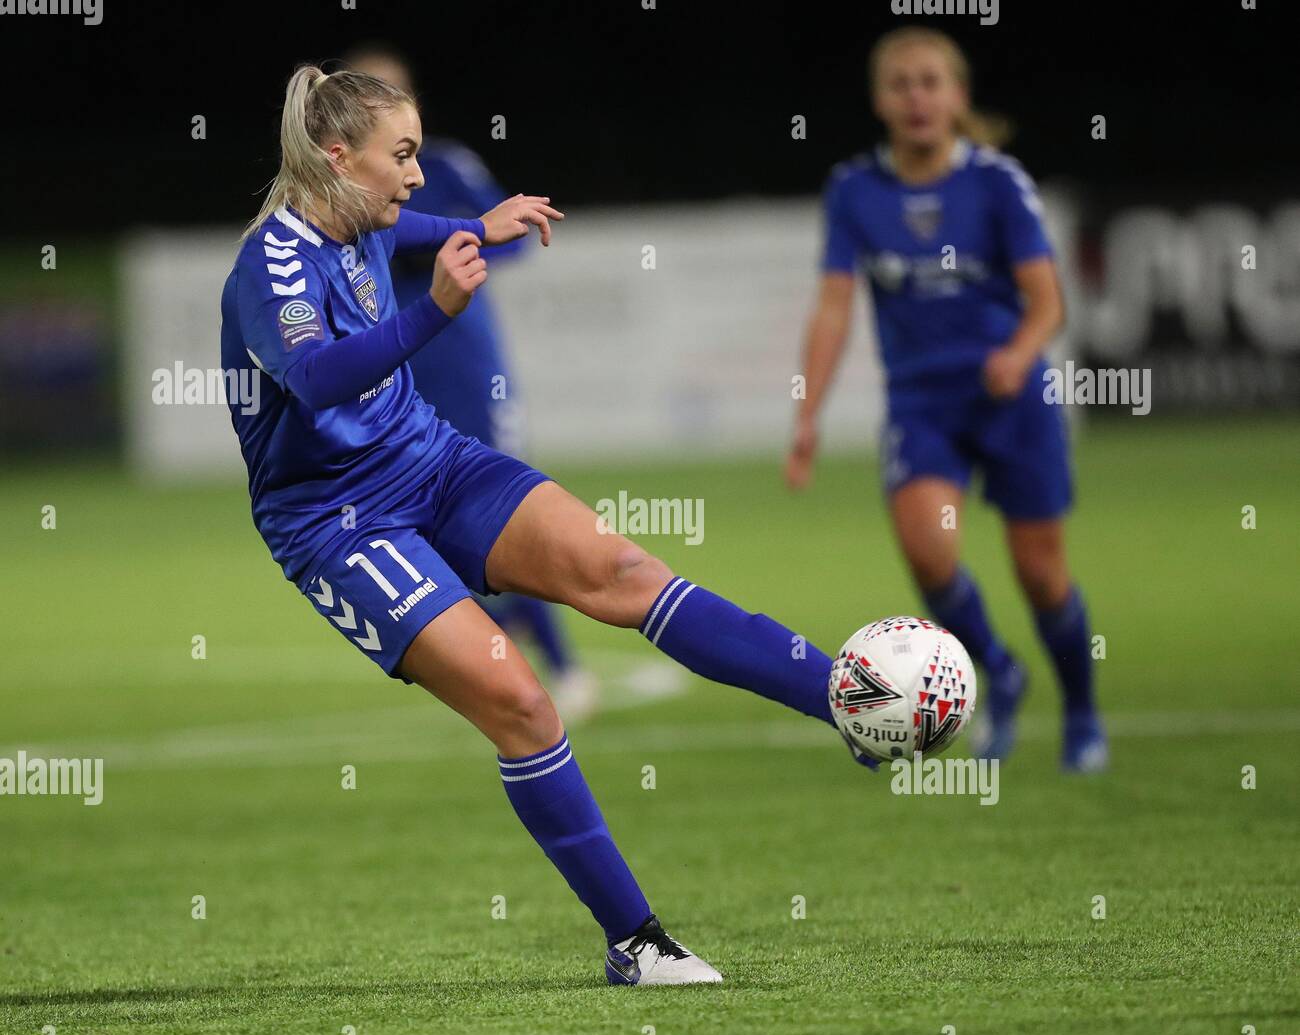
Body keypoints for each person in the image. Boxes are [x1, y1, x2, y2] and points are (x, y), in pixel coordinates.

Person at [221, 64, 871, 986]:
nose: (415, 175)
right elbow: (320, 379)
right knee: (522, 705)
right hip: (336, 523)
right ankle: (636, 945)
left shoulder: (359, 213)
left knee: (622, 570)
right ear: (337, 159)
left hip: (429, 461)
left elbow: (406, 222)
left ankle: (844, 700)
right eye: (401, 155)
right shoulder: (270, 268)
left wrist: (473, 227)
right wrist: (434, 311)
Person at [786, 27, 1107, 772]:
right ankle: (999, 671)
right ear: (879, 101)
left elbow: (1047, 299)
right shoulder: (855, 190)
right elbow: (833, 307)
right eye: (900, 84)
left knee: (1041, 575)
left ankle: (1083, 716)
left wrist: (1019, 354)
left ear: (957, 96)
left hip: (1012, 397)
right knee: (929, 554)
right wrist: (808, 414)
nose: (917, 97)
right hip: (922, 404)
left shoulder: (996, 182)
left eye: (931, 82)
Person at [342, 44, 597, 723]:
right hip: (395, 376)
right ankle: (501, 664)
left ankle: (566, 667)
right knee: (424, 527)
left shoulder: (443, 168)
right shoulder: (333, 207)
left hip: (466, 367)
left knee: (510, 515)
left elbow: (507, 237)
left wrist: (441, 242)